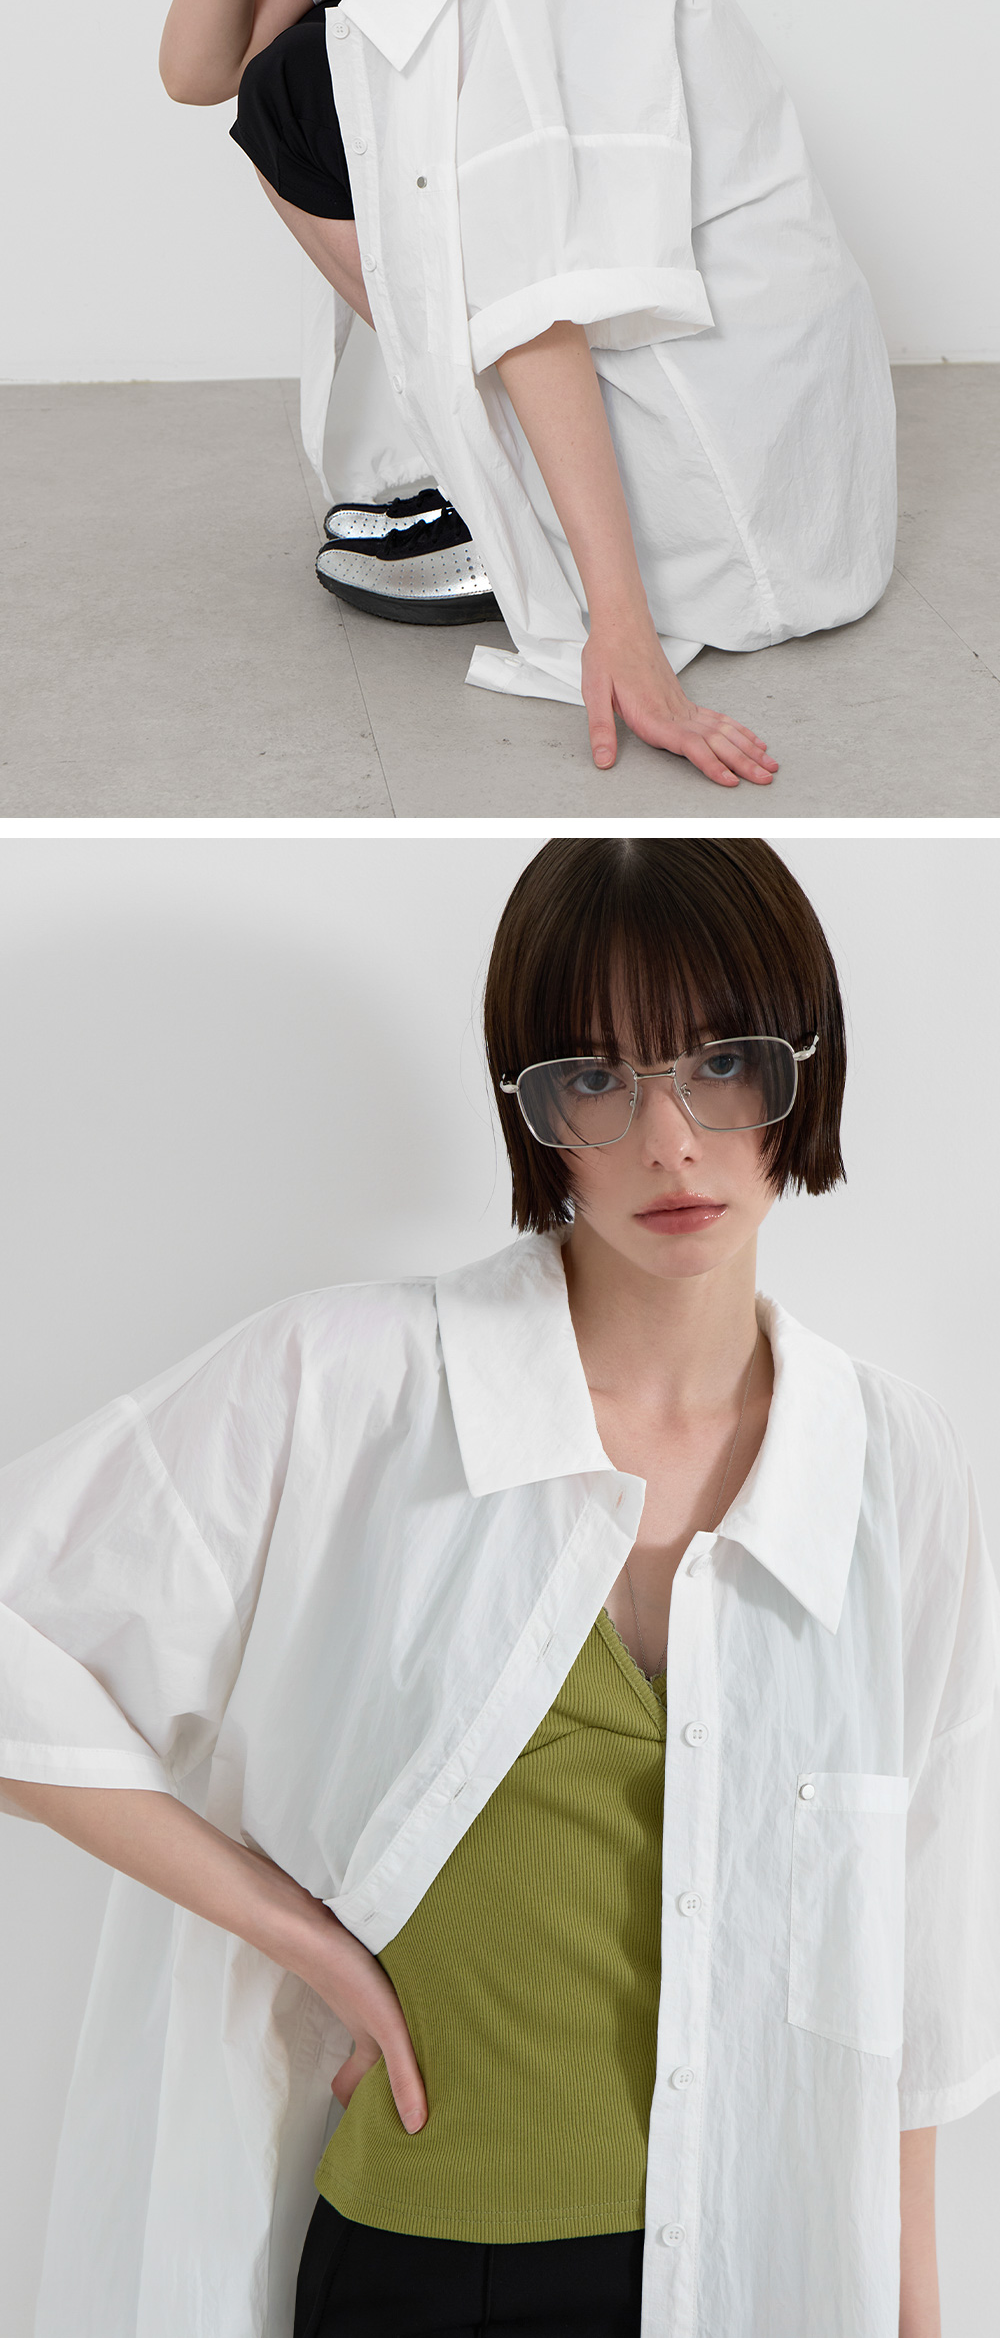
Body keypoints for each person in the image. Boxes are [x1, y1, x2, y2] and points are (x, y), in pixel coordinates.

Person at [2, 832, 997, 2338]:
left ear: (807, 1069)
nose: (669, 1141)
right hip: (430, 2278)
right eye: (595, 1079)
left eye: (723, 1063)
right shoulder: (351, 1390)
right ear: (532, 1114)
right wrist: (297, 1932)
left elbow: (913, 1977)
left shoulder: (894, 1467)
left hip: (769, 2275)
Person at [159, 0, 897, 781]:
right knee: (289, 86)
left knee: (300, 93)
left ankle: (538, 517)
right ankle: (502, 478)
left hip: (716, 433)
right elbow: (195, 67)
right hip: (797, 425)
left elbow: (534, 260)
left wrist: (618, 625)